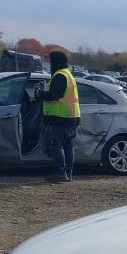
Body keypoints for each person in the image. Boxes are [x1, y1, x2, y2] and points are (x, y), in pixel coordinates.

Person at [39, 50, 80, 182]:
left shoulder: (60, 75)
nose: (49, 63)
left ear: (55, 61)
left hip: (60, 116)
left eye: (50, 60)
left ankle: (61, 173)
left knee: (57, 145)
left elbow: (54, 95)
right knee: (68, 145)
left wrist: (41, 94)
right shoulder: (68, 74)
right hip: (72, 116)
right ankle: (68, 173)